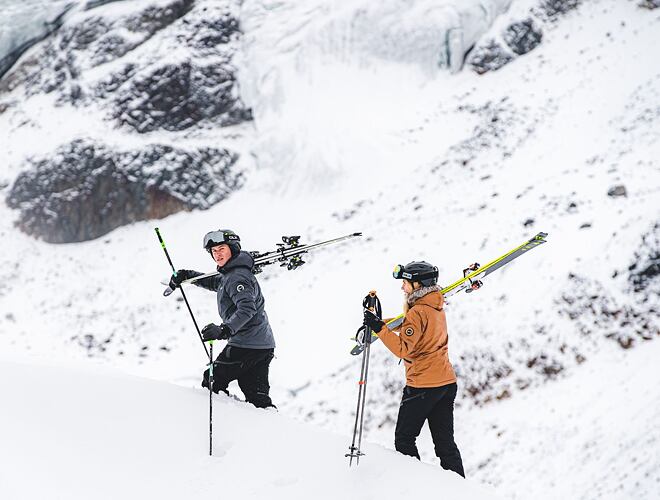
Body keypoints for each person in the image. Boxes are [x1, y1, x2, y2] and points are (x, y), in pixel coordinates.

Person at [362, 261, 465, 477]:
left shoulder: (418, 311)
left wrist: (379, 328)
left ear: (418, 285)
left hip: (423, 386)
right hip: (446, 382)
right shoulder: (436, 305)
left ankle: (415, 486)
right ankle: (460, 490)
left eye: (406, 283)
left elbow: (403, 349)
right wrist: (381, 324)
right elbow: (411, 325)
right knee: (445, 444)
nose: (402, 287)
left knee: (404, 439)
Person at [169, 229, 276, 409]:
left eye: (221, 249)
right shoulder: (232, 273)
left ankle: (224, 423)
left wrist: (224, 329)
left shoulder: (237, 277)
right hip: (262, 345)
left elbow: (247, 308)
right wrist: (188, 275)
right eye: (214, 251)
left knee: (212, 382)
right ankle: (272, 429)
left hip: (245, 345)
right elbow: (214, 282)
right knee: (257, 399)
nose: (217, 254)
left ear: (232, 249)